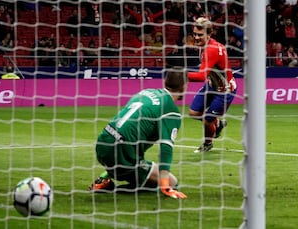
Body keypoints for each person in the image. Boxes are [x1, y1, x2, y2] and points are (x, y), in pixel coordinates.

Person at [89, 68, 187, 199]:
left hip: (103, 142)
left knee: (130, 150)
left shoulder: (146, 92)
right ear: (184, 86)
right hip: (123, 153)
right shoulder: (171, 111)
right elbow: (166, 149)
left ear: (165, 81)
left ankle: (103, 180)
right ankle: (110, 190)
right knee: (172, 182)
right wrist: (165, 185)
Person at [187, 17, 237, 153]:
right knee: (193, 112)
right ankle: (218, 124)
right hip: (212, 86)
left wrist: (181, 75)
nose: (196, 38)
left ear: (209, 35)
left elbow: (201, 76)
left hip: (224, 90)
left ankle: (208, 143)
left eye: (200, 35)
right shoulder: (206, 46)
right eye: (195, 34)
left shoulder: (211, 50)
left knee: (207, 120)